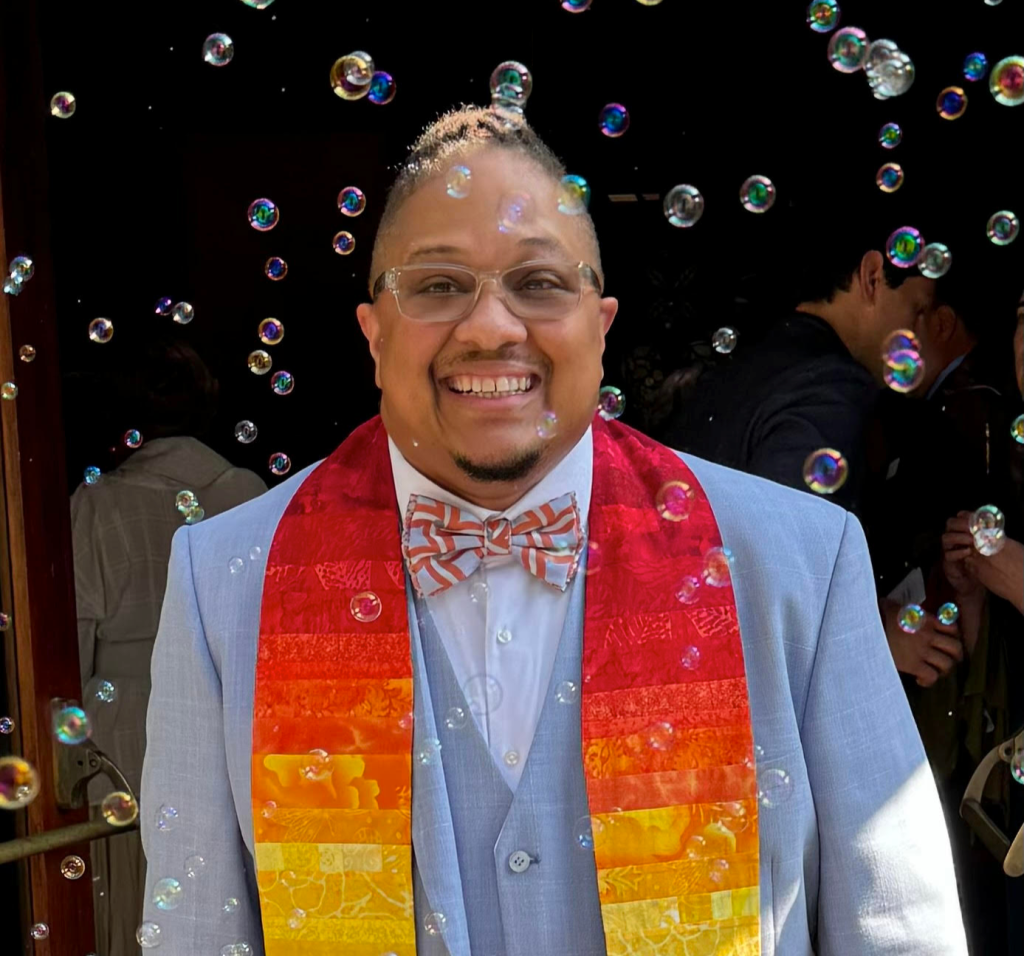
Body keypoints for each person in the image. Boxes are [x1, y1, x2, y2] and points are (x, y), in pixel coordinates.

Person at [140, 105, 966, 956]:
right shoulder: (221, 582)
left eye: (538, 285)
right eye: (437, 285)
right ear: (374, 335)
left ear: (599, 328)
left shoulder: (799, 561)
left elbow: (896, 931)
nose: (492, 328)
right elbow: (194, 936)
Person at [71, 338, 267, 956]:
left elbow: (70, 641)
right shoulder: (248, 491)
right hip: (229, 705)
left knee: (132, 877)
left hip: (123, 719)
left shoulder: (98, 502)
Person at [660, 224, 940, 513]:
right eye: (918, 309)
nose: (922, 335)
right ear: (872, 277)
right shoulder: (832, 383)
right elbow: (790, 540)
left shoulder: (745, 361)